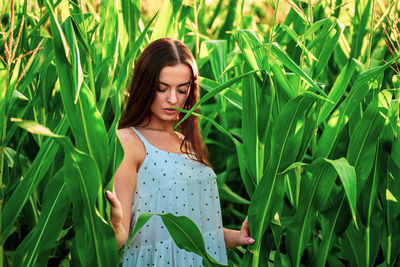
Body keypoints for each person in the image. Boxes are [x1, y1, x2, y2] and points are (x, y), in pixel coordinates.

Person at [105, 38, 255, 266]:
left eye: (182, 89)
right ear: (145, 86)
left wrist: (237, 236)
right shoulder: (129, 140)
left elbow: (198, 233)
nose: (173, 99)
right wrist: (114, 225)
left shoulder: (188, 144)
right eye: (161, 88)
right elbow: (119, 237)